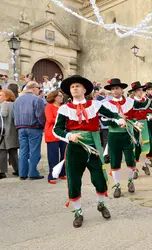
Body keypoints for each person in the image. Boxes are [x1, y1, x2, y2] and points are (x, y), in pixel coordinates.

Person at [53, 75, 127, 228]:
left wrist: (119, 120)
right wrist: (69, 135)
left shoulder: (95, 105)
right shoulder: (64, 109)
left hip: (93, 147)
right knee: (74, 181)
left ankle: (101, 204)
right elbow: (56, 130)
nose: (75, 88)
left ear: (85, 89)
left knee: (99, 178)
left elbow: (111, 115)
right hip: (75, 148)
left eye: (78, 86)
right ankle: (78, 212)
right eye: (72, 87)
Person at [101, 78, 144, 198]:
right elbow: (104, 121)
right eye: (113, 89)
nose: (115, 91)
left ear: (122, 90)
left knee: (130, 160)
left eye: (117, 88)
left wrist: (136, 123)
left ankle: (130, 181)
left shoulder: (130, 102)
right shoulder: (106, 104)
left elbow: (133, 116)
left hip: (128, 135)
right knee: (115, 161)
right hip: (113, 135)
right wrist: (117, 122)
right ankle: (117, 186)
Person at [13, 81, 45, 180]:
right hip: (34, 127)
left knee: (23, 151)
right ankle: (33, 173)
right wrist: (43, 125)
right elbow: (40, 115)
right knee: (34, 151)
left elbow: (14, 115)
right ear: (34, 88)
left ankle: (22, 173)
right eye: (38, 88)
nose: (39, 90)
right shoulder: (37, 99)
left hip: (21, 128)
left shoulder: (17, 100)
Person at [130, 81, 152, 176]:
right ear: (134, 92)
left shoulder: (144, 100)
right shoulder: (131, 102)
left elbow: (149, 110)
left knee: (151, 147)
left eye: (141, 90)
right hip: (135, 125)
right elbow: (130, 115)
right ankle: (134, 169)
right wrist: (135, 122)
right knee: (137, 149)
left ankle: (145, 165)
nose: (141, 92)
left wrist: (149, 117)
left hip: (145, 124)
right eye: (139, 90)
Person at [45, 90, 66, 184]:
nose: (62, 97)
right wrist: (62, 120)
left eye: (62, 96)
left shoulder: (63, 107)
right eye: (60, 96)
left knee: (64, 154)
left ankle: (62, 173)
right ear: (54, 97)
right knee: (53, 156)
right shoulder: (49, 106)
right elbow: (50, 119)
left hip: (63, 134)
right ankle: (52, 175)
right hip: (52, 133)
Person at [0, 90, 19, 178]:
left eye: (1, 95)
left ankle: (2, 172)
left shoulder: (4, 104)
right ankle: (18, 169)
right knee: (13, 152)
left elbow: (3, 114)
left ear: (6, 96)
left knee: (2, 151)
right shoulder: (14, 104)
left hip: (4, 132)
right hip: (13, 131)